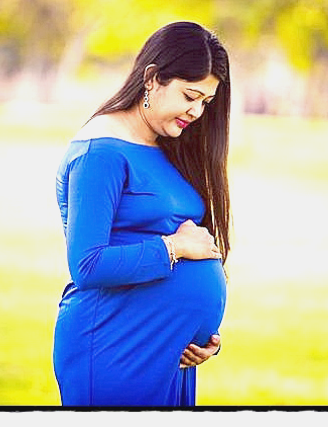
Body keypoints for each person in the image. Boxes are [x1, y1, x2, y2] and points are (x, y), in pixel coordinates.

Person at [52, 21, 232, 407]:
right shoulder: (100, 152)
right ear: (152, 79)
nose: (197, 111)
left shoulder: (165, 143)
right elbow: (87, 265)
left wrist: (204, 336)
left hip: (167, 351)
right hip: (114, 344)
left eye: (205, 102)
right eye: (190, 95)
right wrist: (174, 248)